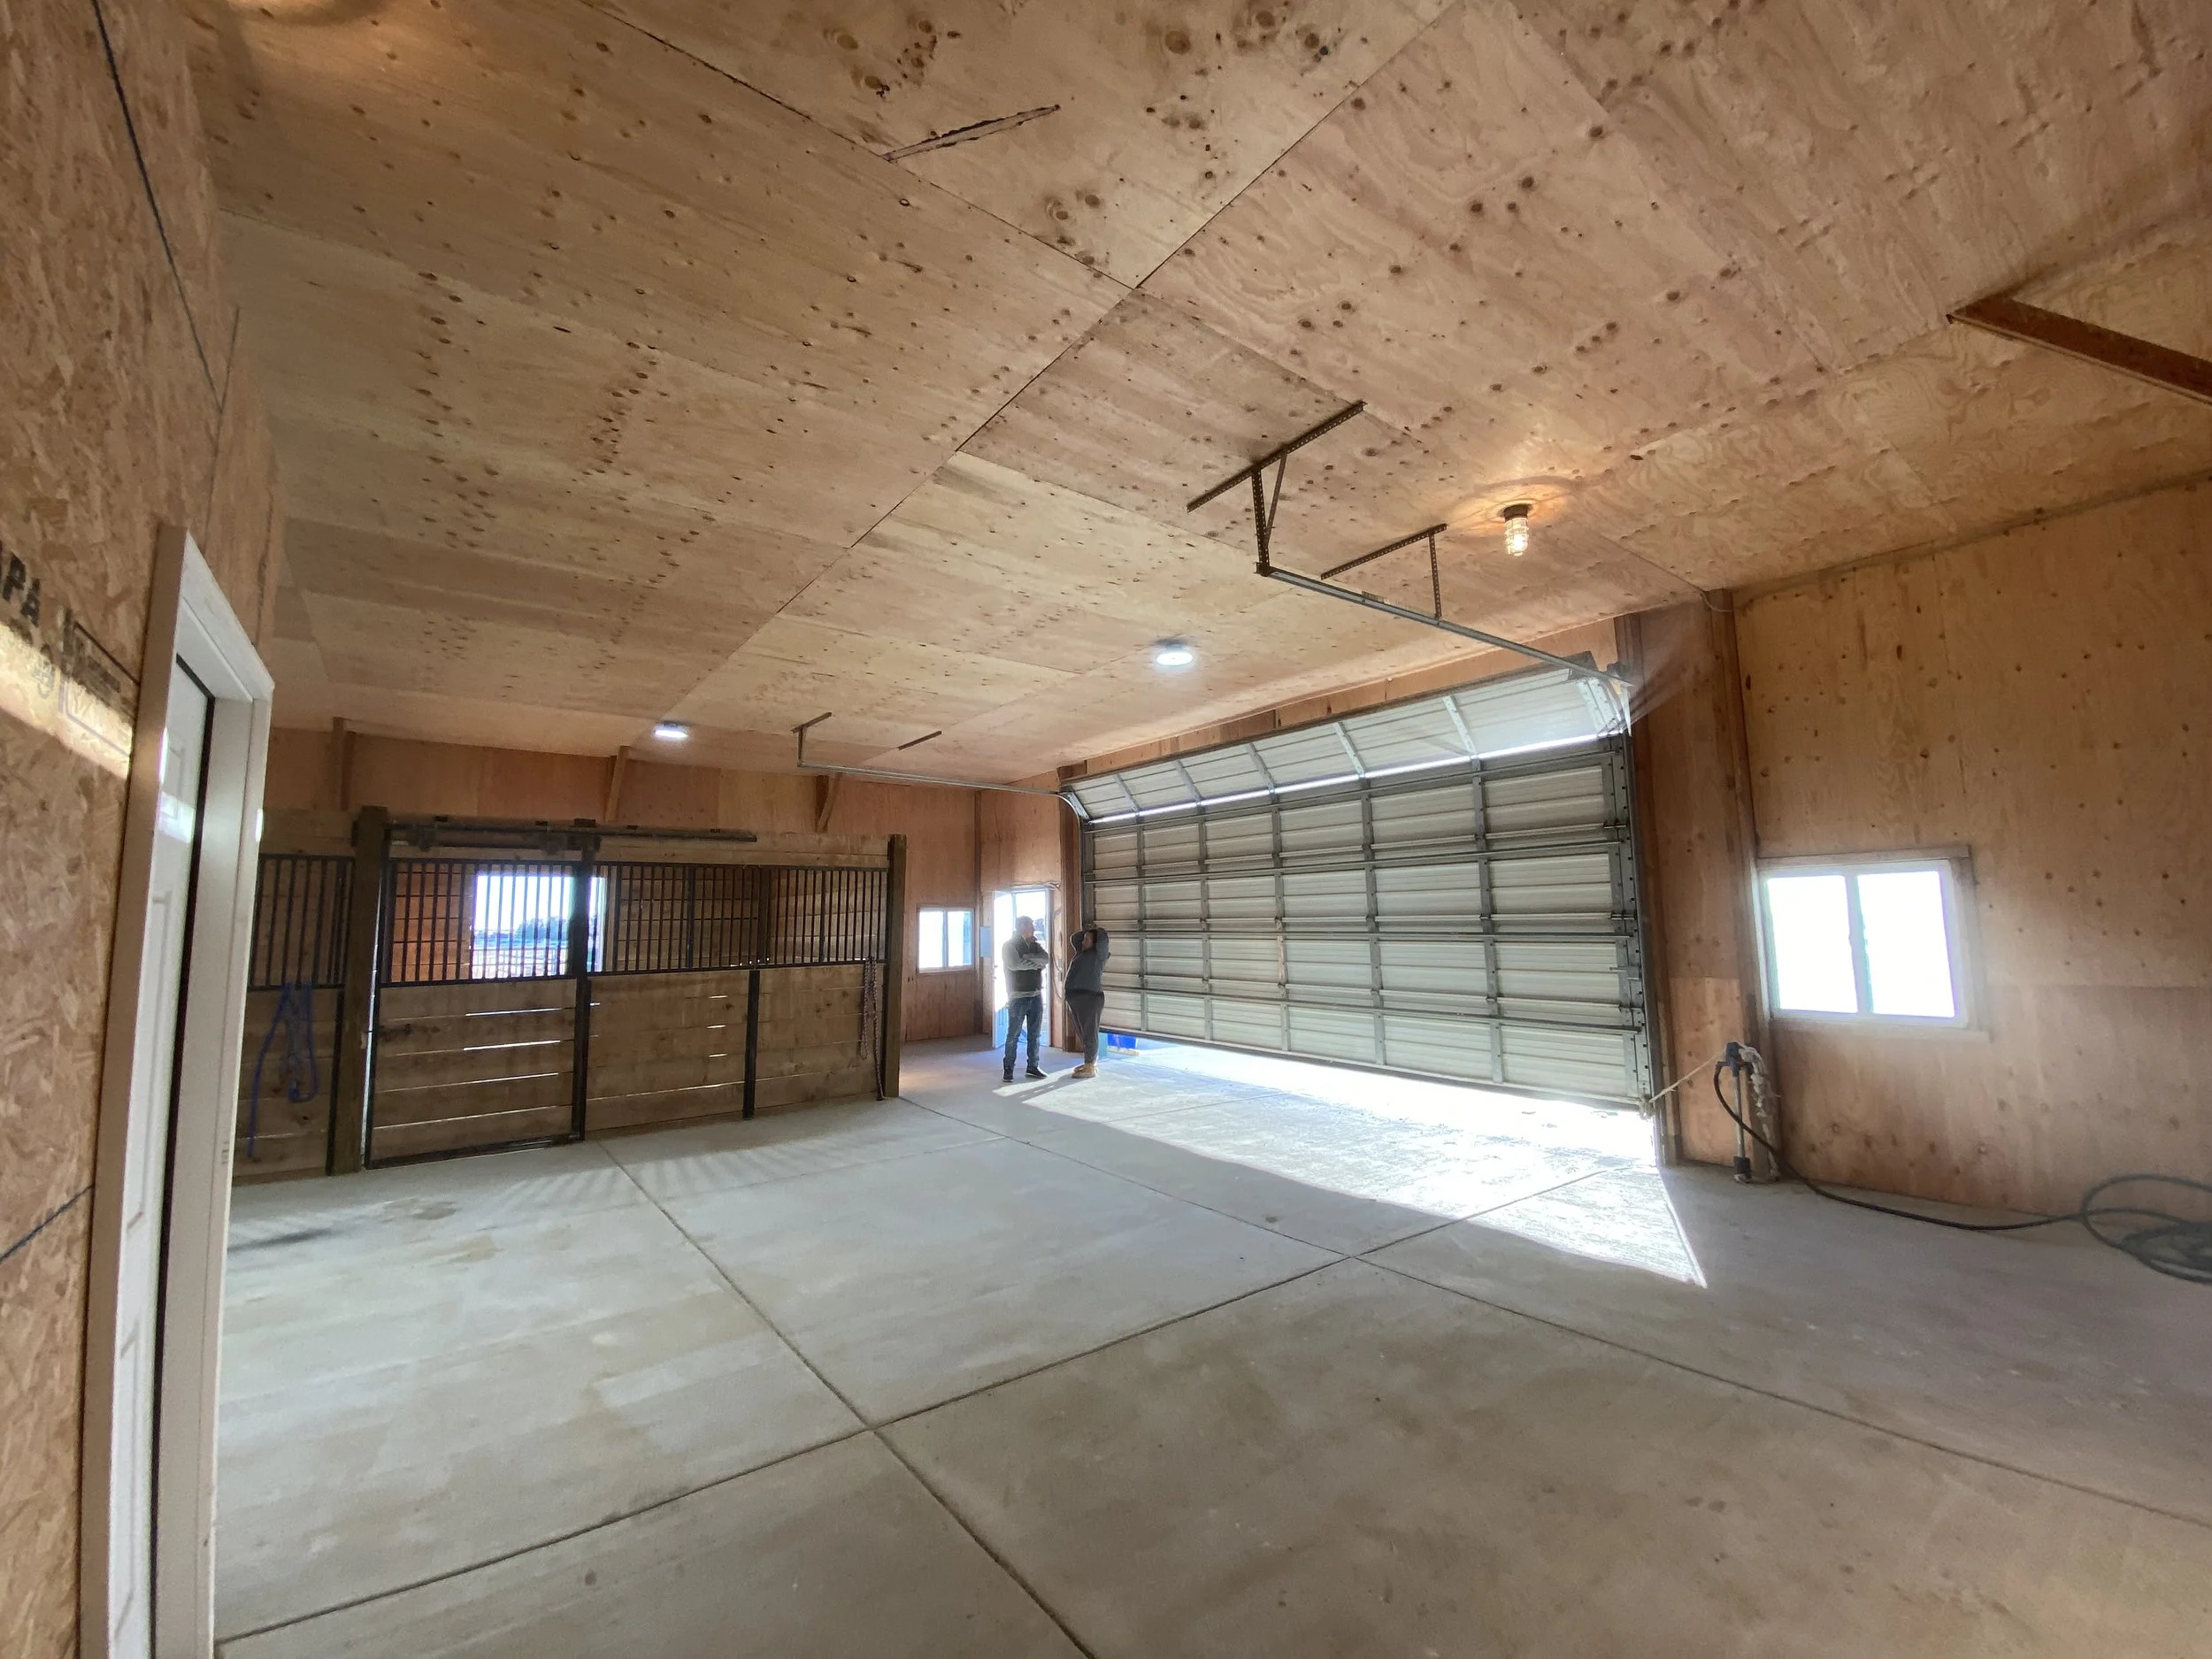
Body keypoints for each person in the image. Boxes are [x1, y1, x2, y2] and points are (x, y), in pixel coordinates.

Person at [1001, 915, 1050, 1081]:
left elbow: (1045, 959)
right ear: (1022, 926)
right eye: (1031, 926)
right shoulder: (1009, 946)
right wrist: (1035, 964)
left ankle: (1033, 1066)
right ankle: (1008, 1069)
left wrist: (1027, 959)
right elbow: (1014, 965)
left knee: (1035, 1035)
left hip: (1036, 994)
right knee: (1013, 1035)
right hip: (1018, 996)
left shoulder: (1035, 945)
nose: (1034, 929)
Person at [1063, 923, 1110, 1079]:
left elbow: (1103, 939)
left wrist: (1096, 931)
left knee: (1089, 1033)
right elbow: (1074, 938)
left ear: (1095, 943)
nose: (1083, 941)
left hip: (1089, 998)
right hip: (1075, 998)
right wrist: (1086, 933)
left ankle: (1090, 1066)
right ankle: (1088, 1061)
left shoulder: (1098, 955)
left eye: (1087, 939)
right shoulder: (1080, 952)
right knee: (1082, 1032)